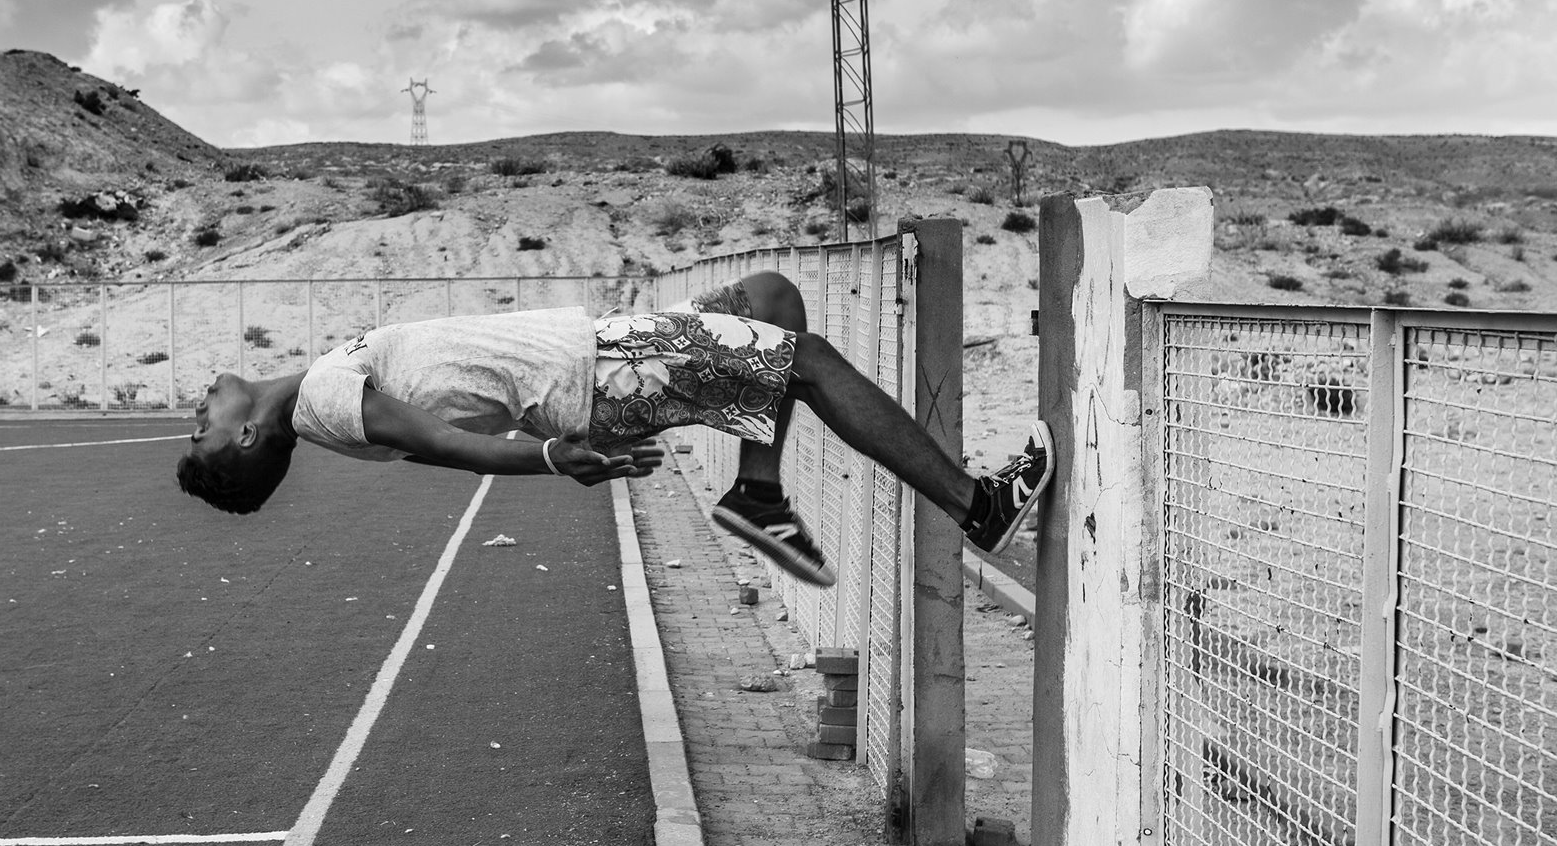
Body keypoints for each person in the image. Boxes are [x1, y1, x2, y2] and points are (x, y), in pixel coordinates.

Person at [175, 271, 1052, 587]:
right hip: (591, 371)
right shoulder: (320, 401)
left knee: (771, 303)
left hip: (597, 353)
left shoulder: (320, 399)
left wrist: (551, 450)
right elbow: (449, 448)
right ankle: (977, 506)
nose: (196, 416)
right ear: (244, 441)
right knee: (808, 359)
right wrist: (557, 455)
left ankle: (757, 491)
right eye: (198, 435)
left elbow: (441, 438)